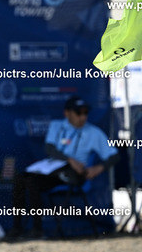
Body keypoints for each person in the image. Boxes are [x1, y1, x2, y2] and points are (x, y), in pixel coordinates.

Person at [9, 96, 119, 239]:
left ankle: (37, 229)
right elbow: (49, 149)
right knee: (22, 179)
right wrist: (70, 160)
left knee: (34, 181)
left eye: (85, 113)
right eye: (78, 113)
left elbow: (114, 156)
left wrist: (98, 168)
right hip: (53, 170)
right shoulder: (56, 126)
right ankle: (17, 228)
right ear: (67, 113)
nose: (83, 117)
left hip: (76, 174)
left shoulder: (94, 132)